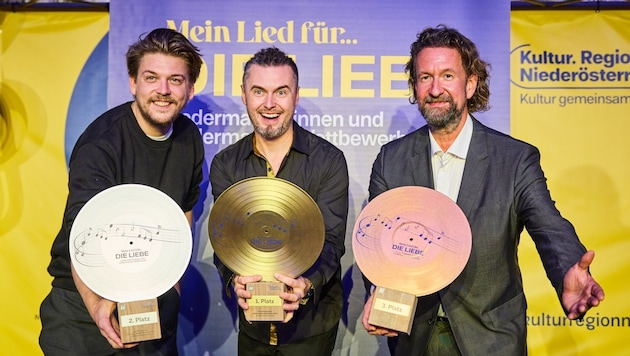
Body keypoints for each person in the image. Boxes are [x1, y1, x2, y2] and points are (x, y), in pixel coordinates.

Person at [360, 25, 605, 355]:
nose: (435, 89)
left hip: (491, 337)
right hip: (414, 336)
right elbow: (374, 243)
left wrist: (567, 272)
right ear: (415, 87)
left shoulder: (515, 159)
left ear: (470, 83)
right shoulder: (392, 159)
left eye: (447, 76)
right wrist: (378, 294)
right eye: (425, 77)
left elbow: (548, 226)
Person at [39, 28, 204, 355]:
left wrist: (172, 285)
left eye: (175, 80)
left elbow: (182, 212)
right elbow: (81, 233)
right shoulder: (101, 143)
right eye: (151, 77)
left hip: (151, 305)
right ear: (133, 83)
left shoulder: (189, 137)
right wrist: (98, 304)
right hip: (85, 311)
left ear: (189, 90)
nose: (163, 90)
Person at [209, 47, 349, 355]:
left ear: (296, 96)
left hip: (311, 327)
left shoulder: (328, 161)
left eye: (281, 92)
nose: (270, 104)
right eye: (259, 91)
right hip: (253, 328)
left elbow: (332, 242)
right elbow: (225, 241)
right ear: (244, 95)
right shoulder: (225, 164)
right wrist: (235, 280)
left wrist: (306, 286)